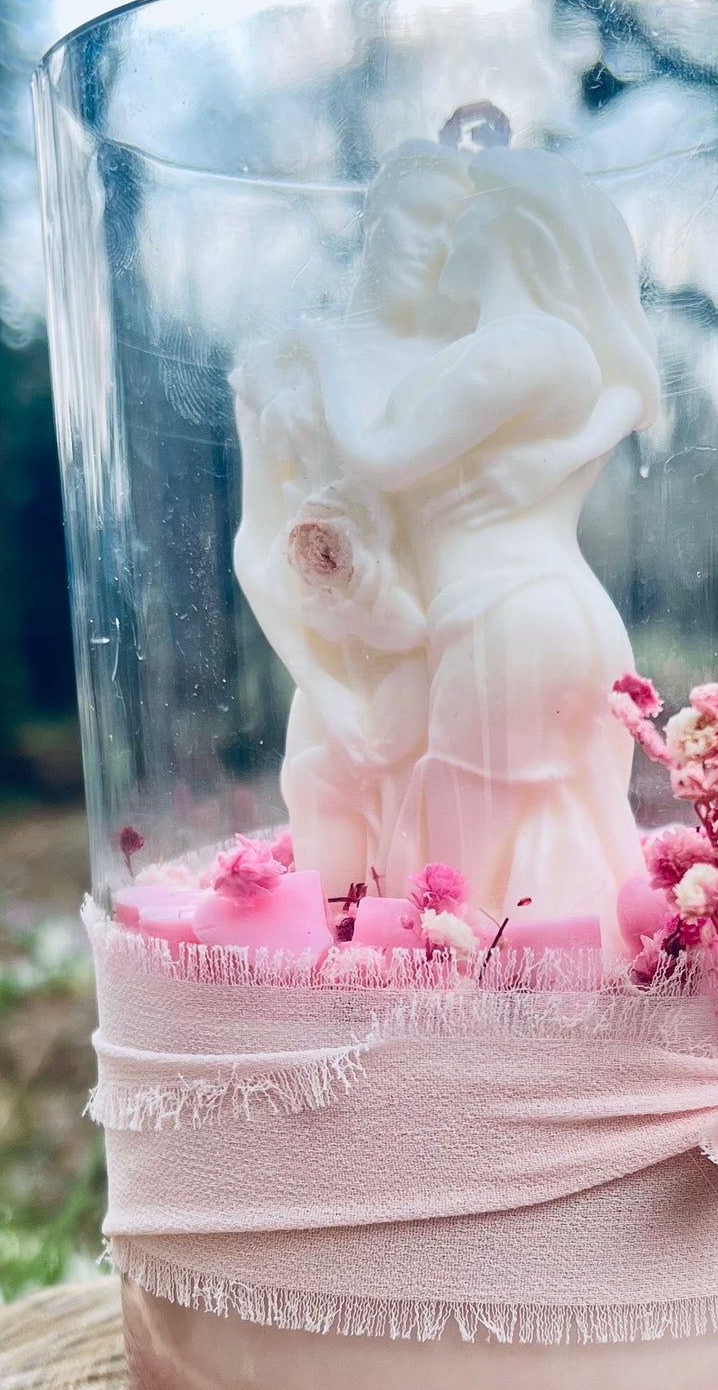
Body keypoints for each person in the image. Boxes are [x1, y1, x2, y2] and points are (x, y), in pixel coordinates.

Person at [232, 134, 661, 924]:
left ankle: (554, 1032)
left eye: (452, 226)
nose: (434, 247)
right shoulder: (281, 372)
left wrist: (563, 453)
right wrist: (329, 693)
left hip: (477, 654)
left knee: (484, 909)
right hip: (354, 689)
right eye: (418, 220)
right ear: (375, 219)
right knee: (349, 914)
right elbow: (262, 551)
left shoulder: (476, 354)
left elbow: (616, 378)